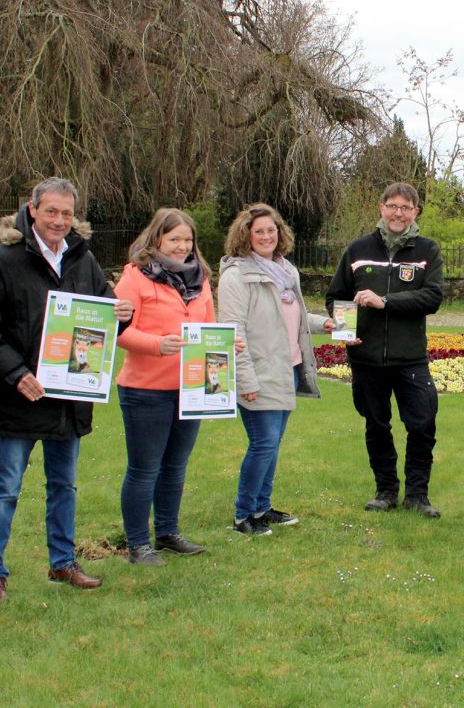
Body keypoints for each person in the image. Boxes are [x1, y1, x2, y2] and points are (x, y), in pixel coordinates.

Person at [0, 177, 133, 605]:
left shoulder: (83, 259)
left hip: (68, 398)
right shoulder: (1, 260)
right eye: (51, 211)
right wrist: (16, 373)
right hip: (20, 394)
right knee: (5, 487)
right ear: (32, 210)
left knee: (64, 486)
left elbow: (102, 314)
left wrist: (122, 315)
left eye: (67, 213)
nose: (59, 220)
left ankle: (63, 562)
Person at [325, 183, 444, 518]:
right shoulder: (358, 249)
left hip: (410, 359)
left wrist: (386, 301)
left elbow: (432, 297)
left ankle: (417, 495)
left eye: (406, 208)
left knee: (422, 424)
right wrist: (345, 331)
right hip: (366, 357)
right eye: (392, 206)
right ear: (381, 208)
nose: (398, 213)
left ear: (415, 212)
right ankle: (386, 491)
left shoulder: (427, 251)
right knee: (376, 425)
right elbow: (337, 296)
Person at [112, 208, 218, 566]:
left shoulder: (200, 278)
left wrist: (225, 345)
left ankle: (168, 532)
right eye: (174, 239)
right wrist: (157, 345)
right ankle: (138, 543)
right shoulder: (135, 278)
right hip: (145, 390)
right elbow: (120, 333)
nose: (182, 246)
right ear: (157, 238)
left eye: (188, 240)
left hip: (190, 389)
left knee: (176, 466)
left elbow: (209, 328)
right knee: (145, 468)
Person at [220, 203, 333, 535]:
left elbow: (293, 318)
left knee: (272, 443)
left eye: (272, 230)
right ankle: (244, 515)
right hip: (258, 372)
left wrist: (322, 323)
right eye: (259, 232)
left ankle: (262, 507)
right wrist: (245, 380)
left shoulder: (286, 271)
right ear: (245, 236)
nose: (266, 236)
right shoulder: (236, 276)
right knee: (263, 443)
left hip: (288, 369)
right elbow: (233, 332)